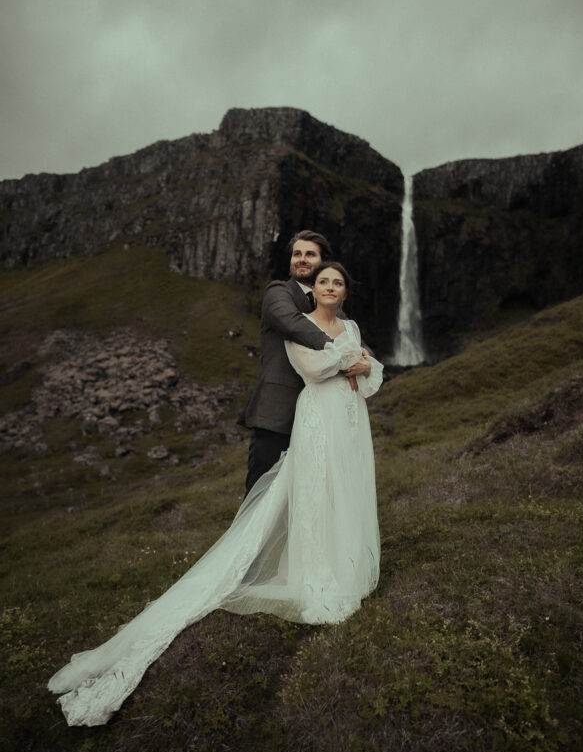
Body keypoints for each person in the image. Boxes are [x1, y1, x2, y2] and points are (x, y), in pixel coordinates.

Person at [48, 262, 383, 726]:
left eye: (337, 282)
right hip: (318, 418)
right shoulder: (298, 327)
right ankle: (318, 573)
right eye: (323, 281)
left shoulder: (351, 325)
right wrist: (355, 360)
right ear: (314, 290)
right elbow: (312, 368)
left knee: (345, 491)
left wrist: (363, 363)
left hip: (350, 421)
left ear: (346, 290)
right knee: (314, 494)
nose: (329, 287)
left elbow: (371, 376)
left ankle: (347, 561)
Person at [239, 230, 368, 494]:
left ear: (323, 261)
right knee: (261, 492)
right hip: (277, 411)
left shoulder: (328, 303)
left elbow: (353, 335)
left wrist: (367, 361)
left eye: (310, 254)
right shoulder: (278, 292)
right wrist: (343, 355)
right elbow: (294, 324)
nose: (302, 259)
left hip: (318, 415)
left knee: (306, 493)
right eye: (297, 254)